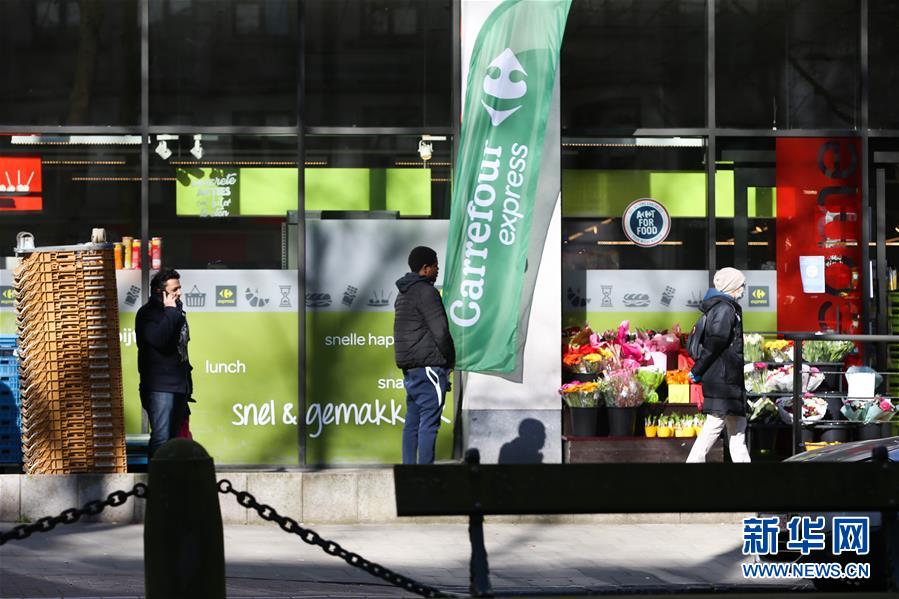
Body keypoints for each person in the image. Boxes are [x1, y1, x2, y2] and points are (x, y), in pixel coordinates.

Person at [393, 246, 455, 464]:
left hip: (412, 369)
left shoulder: (403, 293)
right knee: (430, 423)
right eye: (436, 266)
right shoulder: (427, 292)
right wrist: (450, 360)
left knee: (412, 423)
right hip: (429, 367)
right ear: (426, 268)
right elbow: (441, 331)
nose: (438, 270)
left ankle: (409, 474)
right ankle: (425, 476)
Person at [686, 267, 751, 463]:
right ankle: (691, 465)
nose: (743, 289)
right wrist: (697, 370)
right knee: (714, 426)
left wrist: (699, 370)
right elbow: (715, 343)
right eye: (741, 285)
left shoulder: (724, 308)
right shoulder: (725, 309)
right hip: (724, 380)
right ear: (732, 287)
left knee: (737, 431)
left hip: (727, 380)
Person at [136, 268, 194, 458]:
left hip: (178, 385)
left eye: (179, 288)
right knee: (161, 438)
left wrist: (187, 385)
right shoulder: (147, 314)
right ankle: (157, 476)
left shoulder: (176, 312)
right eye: (174, 289)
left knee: (174, 440)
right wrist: (170, 311)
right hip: (159, 387)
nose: (179, 293)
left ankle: (172, 475)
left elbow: (181, 350)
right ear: (160, 292)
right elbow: (159, 340)